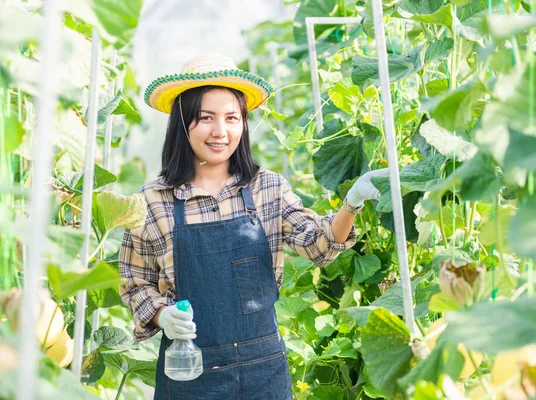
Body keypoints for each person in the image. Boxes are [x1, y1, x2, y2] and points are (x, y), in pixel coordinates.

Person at [119, 54, 387, 400]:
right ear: (183, 124)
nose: (221, 131)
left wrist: (351, 203)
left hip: (263, 372)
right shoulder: (153, 201)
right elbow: (133, 282)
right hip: (190, 371)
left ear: (243, 125)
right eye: (206, 118)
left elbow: (319, 246)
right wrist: (161, 315)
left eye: (232, 118)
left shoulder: (268, 188)